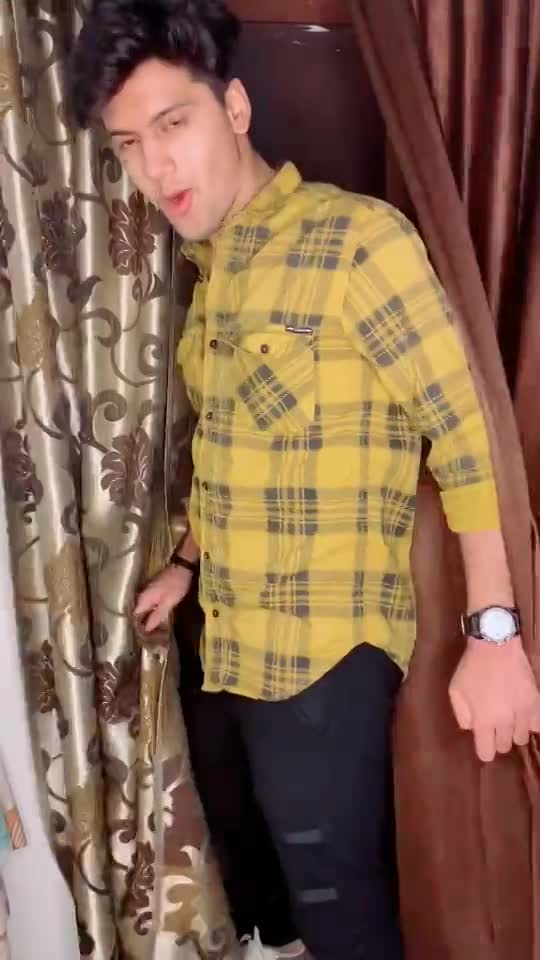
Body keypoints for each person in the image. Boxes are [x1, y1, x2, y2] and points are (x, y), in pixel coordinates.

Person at [71, 3, 540, 958]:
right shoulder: (210, 275)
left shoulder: (356, 242)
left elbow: (464, 433)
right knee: (265, 885)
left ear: (236, 108)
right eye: (129, 146)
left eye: (173, 124)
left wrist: (494, 632)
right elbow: (234, 448)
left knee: (336, 897)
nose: (156, 167)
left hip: (324, 652)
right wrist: (187, 564)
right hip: (229, 636)